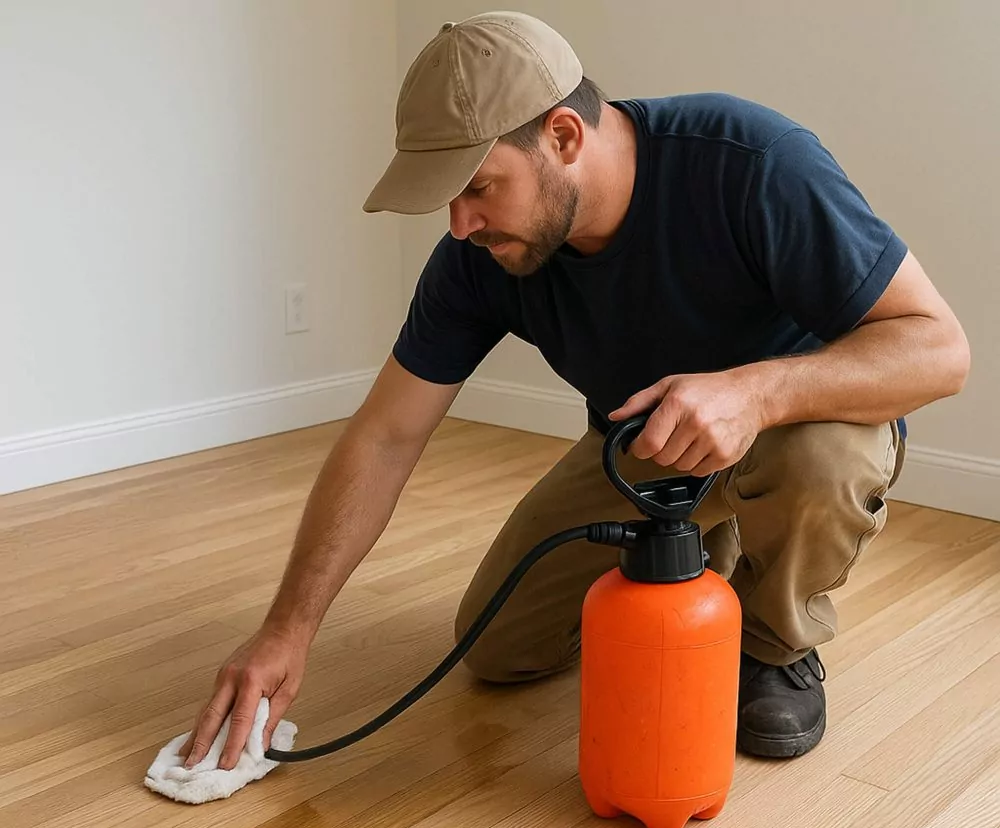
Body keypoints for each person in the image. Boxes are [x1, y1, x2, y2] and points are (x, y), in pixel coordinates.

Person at [182, 11, 969, 770]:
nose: (460, 224)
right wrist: (287, 630)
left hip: (802, 426)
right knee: (499, 649)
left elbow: (940, 349)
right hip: (646, 445)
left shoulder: (751, 161)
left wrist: (757, 394)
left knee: (819, 459)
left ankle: (772, 645)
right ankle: (710, 545)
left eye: (479, 186)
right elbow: (386, 436)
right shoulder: (477, 257)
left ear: (563, 136)